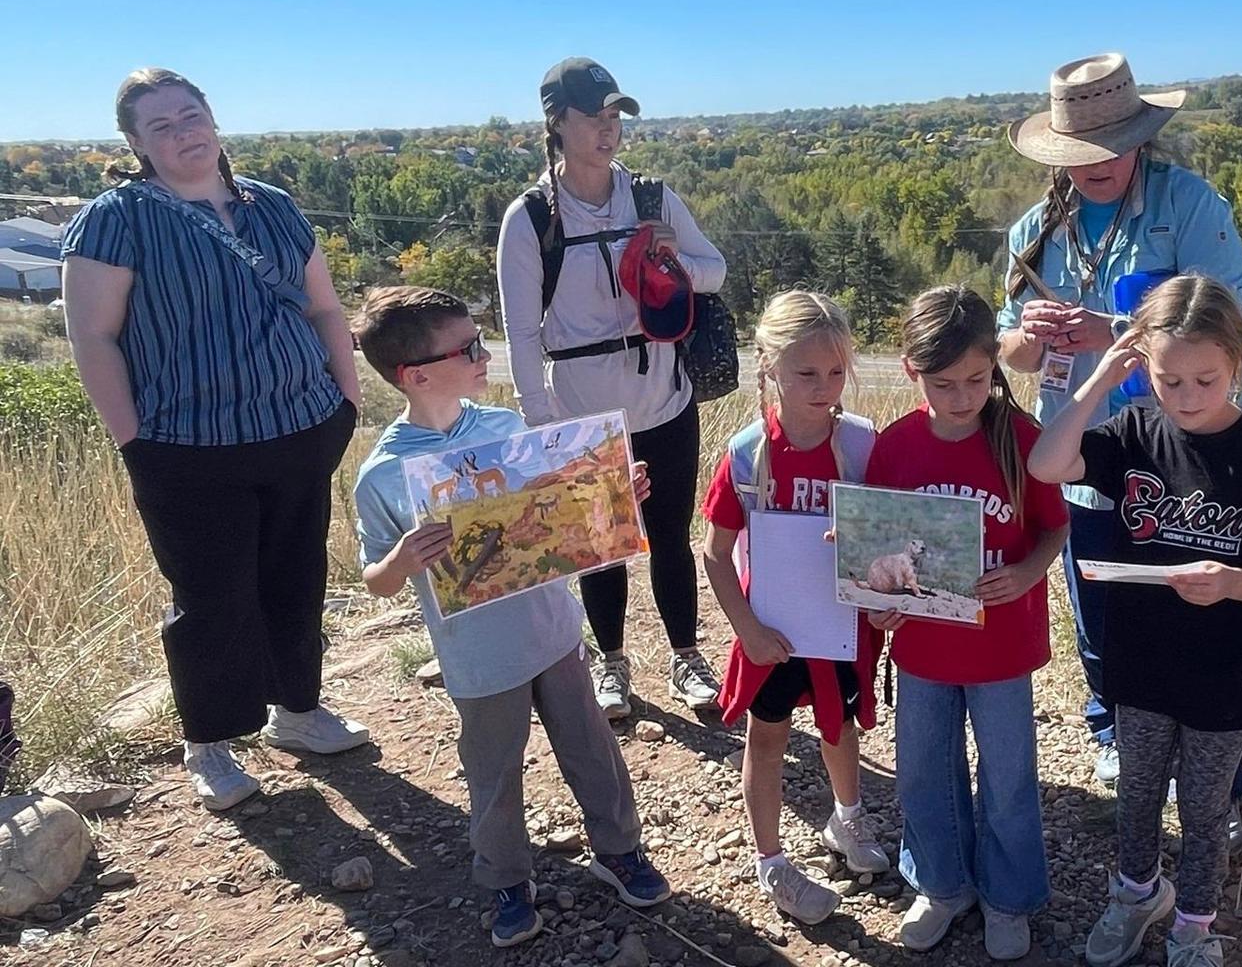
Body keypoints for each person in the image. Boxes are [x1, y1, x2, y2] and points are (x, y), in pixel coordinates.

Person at [62, 68, 367, 811]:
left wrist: (347, 402)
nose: (182, 133)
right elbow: (93, 338)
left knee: (296, 581)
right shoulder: (117, 218)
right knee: (211, 597)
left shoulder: (275, 207)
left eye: (190, 115)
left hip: (300, 426)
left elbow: (326, 310)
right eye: (159, 126)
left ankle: (298, 713)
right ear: (136, 144)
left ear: (213, 120)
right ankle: (211, 741)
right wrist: (133, 440)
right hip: (185, 444)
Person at [350, 286, 673, 947]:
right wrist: (403, 561)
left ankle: (618, 850)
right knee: (493, 775)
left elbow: (553, 524)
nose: (483, 354)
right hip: (477, 660)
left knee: (592, 749)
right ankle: (505, 880)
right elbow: (376, 581)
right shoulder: (383, 475)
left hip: (554, 635)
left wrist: (613, 495)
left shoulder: (504, 431)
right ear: (416, 375)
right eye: (468, 347)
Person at [995, 53, 1242, 788]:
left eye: (1112, 144)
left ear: (1140, 138)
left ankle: (1222, 763)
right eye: (1082, 150)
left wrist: (1110, 330)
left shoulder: (1190, 207)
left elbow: (1232, 318)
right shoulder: (1035, 231)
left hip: (1203, 451)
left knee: (1215, 606)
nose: (1098, 163)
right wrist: (1032, 336)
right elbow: (1012, 354)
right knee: (1107, 608)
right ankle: (1117, 731)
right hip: (1095, 456)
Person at [1029, 275, 1242, 967]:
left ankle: (1194, 925)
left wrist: (1233, 583)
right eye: (1168, 380)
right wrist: (1100, 381)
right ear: (1142, 368)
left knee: (1207, 808)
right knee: (1138, 793)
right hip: (1142, 661)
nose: (1185, 398)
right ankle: (1136, 896)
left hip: (1224, 672)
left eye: (1205, 380)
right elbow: (1046, 462)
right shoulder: (1133, 430)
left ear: (1237, 366)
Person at [497, 57, 728, 717]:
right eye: (593, 117)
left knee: (670, 536)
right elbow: (519, 333)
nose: (608, 130)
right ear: (556, 123)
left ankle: (686, 658)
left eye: (614, 117)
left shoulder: (652, 200)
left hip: (664, 400)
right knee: (600, 547)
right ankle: (611, 664)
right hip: (582, 413)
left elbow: (716, 270)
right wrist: (544, 425)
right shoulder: (532, 218)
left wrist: (669, 254)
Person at [864, 286, 1070, 960]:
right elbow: (877, 554)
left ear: (994, 368)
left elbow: (1053, 530)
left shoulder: (1023, 438)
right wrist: (881, 602)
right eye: (943, 384)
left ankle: (1010, 897)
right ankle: (944, 886)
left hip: (1000, 650)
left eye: (977, 381)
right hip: (923, 648)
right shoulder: (894, 448)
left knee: (1008, 777)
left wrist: (1029, 572)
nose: (961, 397)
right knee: (923, 770)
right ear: (910, 372)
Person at [699, 291, 888, 925]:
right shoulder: (748, 454)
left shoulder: (862, 447)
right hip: (773, 630)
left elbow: (888, 539)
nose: (825, 387)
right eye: (807, 372)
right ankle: (771, 861)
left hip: (840, 625)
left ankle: (848, 819)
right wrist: (747, 630)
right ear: (770, 366)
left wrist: (888, 600)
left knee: (841, 726)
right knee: (769, 734)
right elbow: (715, 555)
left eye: (836, 372)